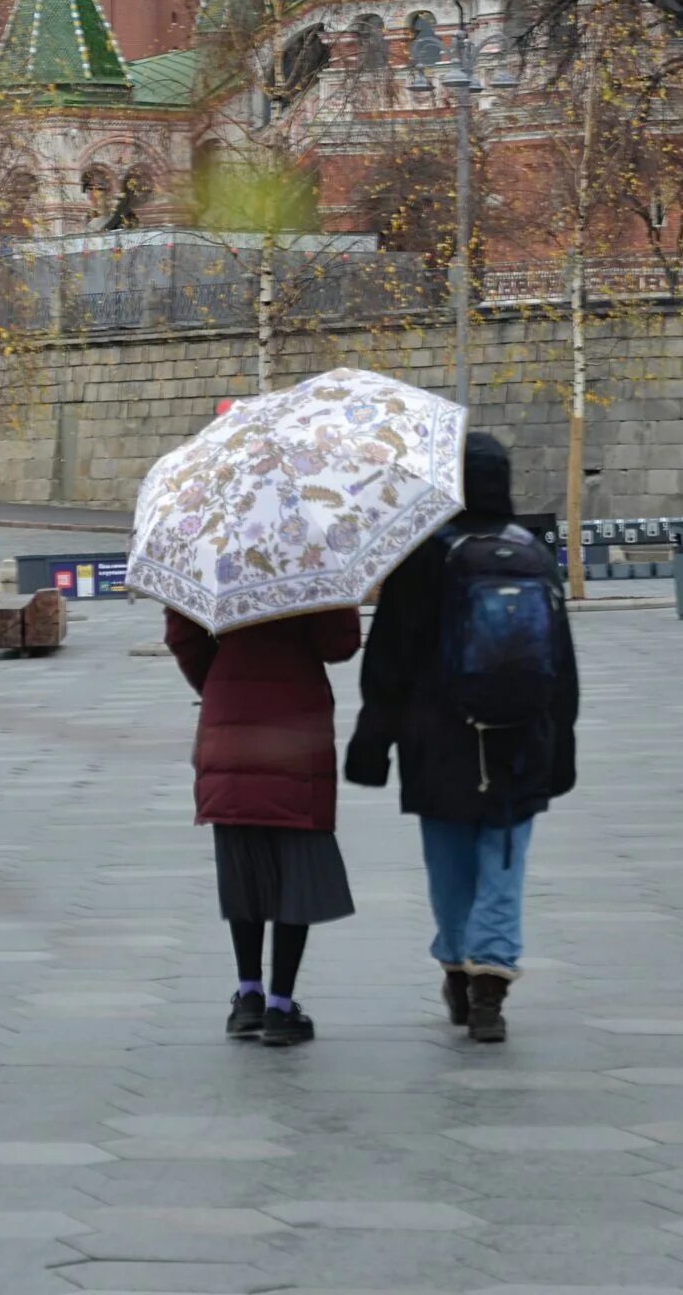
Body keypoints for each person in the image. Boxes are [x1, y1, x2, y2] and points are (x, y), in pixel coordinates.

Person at [347, 431, 578, 1044]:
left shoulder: (422, 556)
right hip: (522, 741)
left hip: (438, 742)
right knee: (504, 862)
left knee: (448, 865)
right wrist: (564, 749)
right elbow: (561, 662)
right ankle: (490, 988)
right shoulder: (531, 551)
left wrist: (372, 744)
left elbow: (389, 662)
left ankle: (456, 964)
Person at [166, 603, 362, 1047]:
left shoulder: (212, 547)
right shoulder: (311, 552)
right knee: (297, 864)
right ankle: (279, 1005)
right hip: (297, 720)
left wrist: (219, 683)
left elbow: (183, 634)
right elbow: (340, 645)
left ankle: (248, 997)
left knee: (241, 859)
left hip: (229, 723)